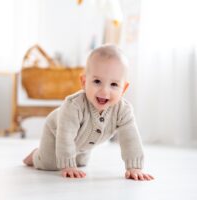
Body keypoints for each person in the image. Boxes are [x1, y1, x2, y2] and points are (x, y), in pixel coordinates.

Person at [23, 44, 154, 181]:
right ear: (84, 82)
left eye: (114, 85)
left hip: (84, 143)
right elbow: (65, 136)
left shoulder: (123, 110)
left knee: (81, 163)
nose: (104, 91)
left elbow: (131, 139)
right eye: (97, 81)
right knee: (50, 163)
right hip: (57, 132)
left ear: (124, 88)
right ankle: (36, 156)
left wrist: (134, 167)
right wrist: (68, 166)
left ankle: (72, 157)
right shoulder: (74, 106)